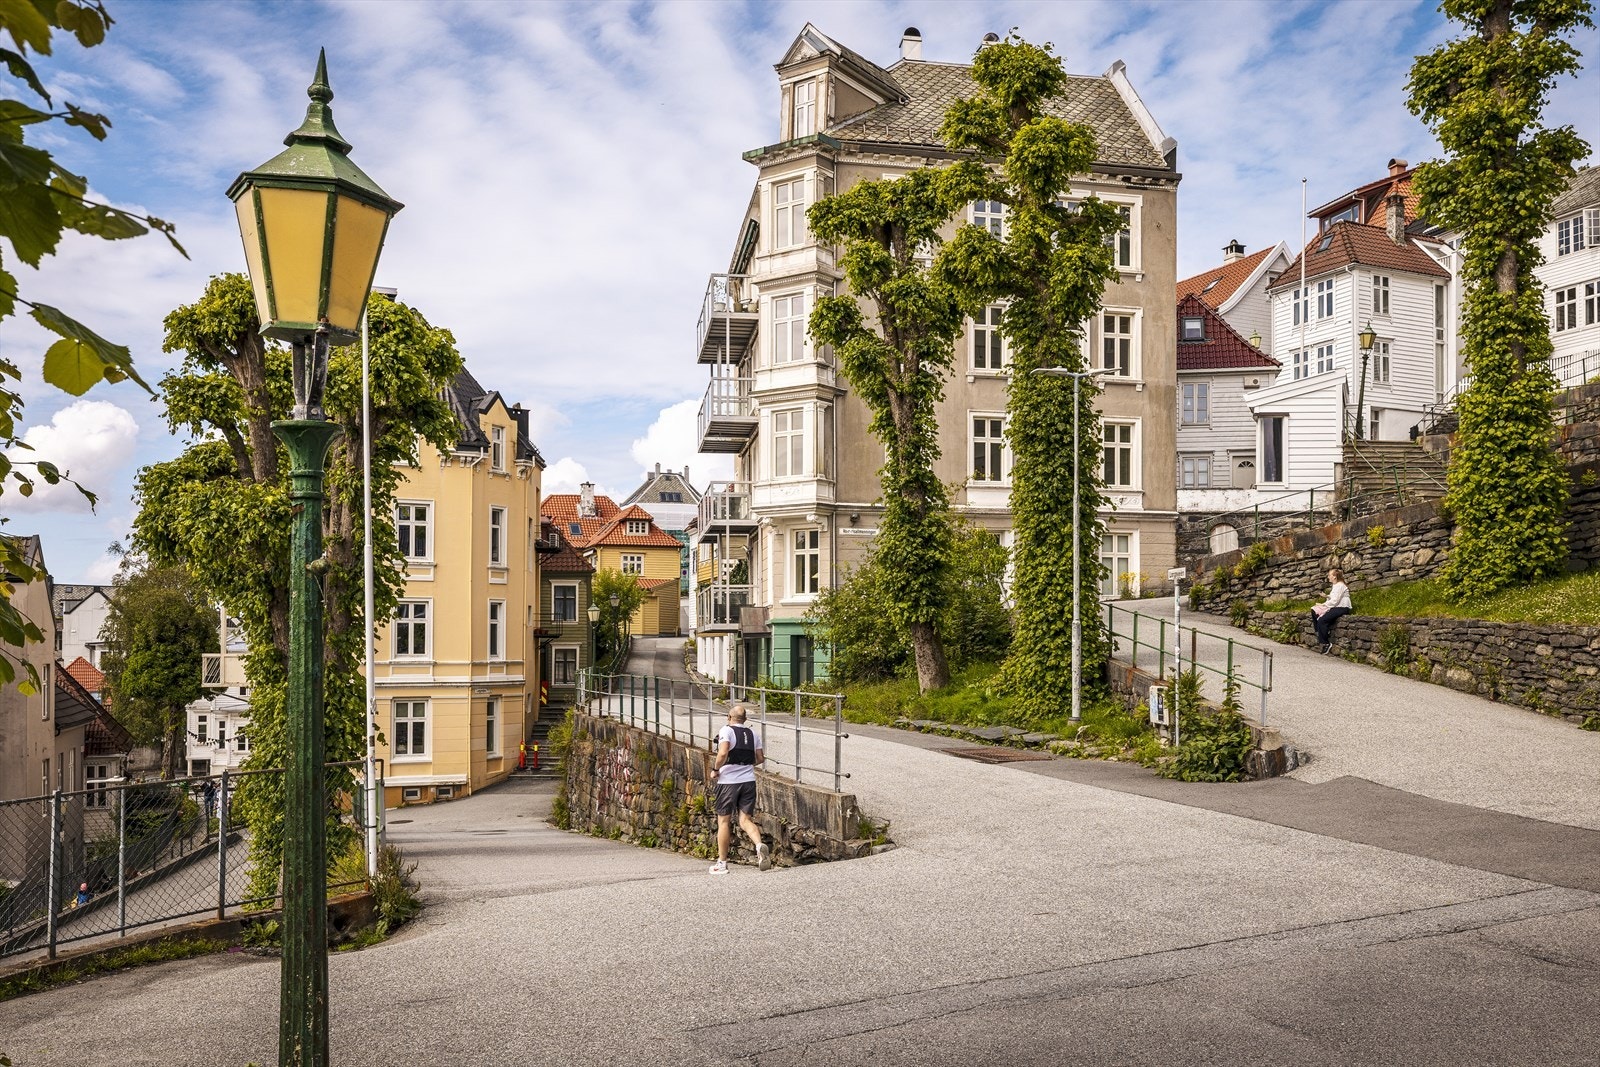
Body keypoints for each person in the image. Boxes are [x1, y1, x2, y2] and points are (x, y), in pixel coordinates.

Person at [709, 704, 770, 875]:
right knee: (745, 820)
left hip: (728, 782)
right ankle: (759, 847)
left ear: (729, 717)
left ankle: (722, 863)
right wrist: (745, 765)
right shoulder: (753, 734)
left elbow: (722, 753)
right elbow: (760, 758)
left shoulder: (726, 730)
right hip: (749, 781)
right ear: (745, 720)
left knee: (724, 822)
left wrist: (715, 770)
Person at [1310, 567, 1352, 653]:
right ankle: (1320, 632)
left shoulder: (1340, 585)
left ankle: (1326, 643)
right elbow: (1334, 598)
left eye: (1329, 575)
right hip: (1336, 606)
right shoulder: (1335, 585)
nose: (1328, 577)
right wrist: (1327, 597)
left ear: (1335, 577)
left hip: (1342, 608)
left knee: (1322, 620)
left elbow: (1335, 601)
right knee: (1314, 610)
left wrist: (1323, 604)